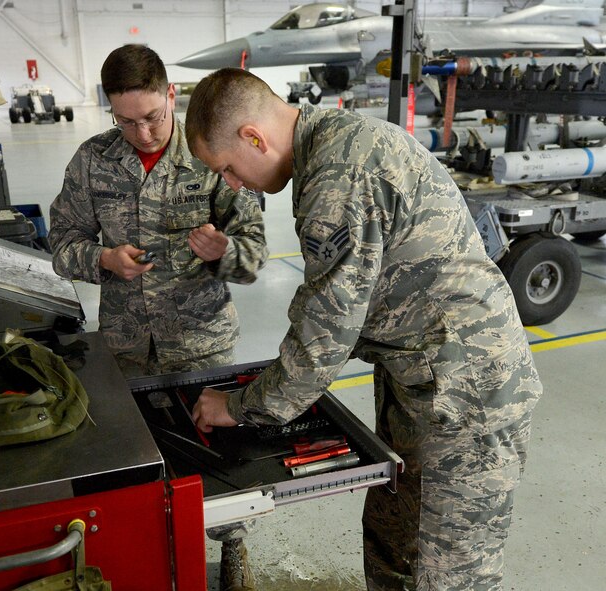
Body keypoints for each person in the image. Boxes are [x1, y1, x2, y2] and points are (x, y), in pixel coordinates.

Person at [184, 68, 542, 591]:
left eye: (229, 170)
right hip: (423, 375)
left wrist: (238, 408)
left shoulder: (337, 177)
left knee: (448, 569)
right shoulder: (337, 141)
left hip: (466, 393)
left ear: (253, 138)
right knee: (394, 537)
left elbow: (325, 331)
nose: (233, 185)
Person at [48, 47, 268, 590]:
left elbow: (255, 253)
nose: (143, 132)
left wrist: (223, 251)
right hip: (125, 347)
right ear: (109, 110)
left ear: (173, 95)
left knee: (216, 462)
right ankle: (153, 559)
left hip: (201, 343)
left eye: (153, 116)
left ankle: (231, 546)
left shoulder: (209, 152)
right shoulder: (92, 160)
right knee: (138, 466)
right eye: (127, 121)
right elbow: (60, 244)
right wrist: (101, 259)